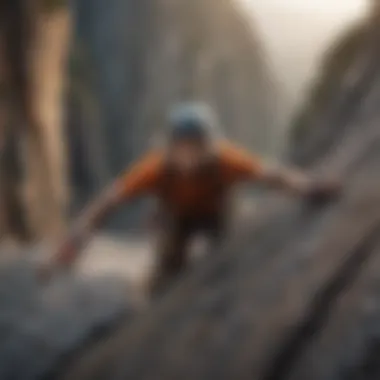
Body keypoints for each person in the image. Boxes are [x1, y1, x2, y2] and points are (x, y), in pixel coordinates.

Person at [38, 102, 341, 296]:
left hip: (216, 213)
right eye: (183, 146)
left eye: (196, 146)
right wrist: (72, 246)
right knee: (164, 273)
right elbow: (107, 203)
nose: (189, 155)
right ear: (170, 146)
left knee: (226, 260)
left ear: (209, 145)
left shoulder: (227, 160)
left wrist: (310, 187)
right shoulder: (154, 168)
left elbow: (272, 176)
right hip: (177, 217)